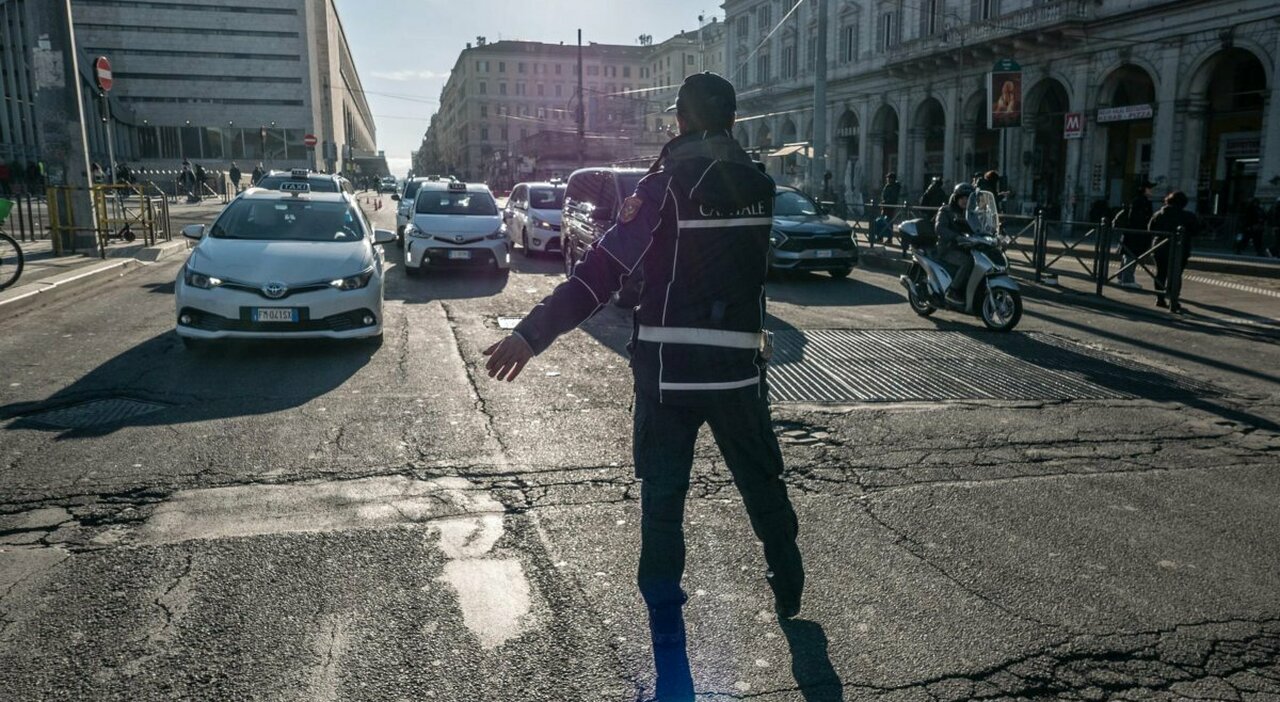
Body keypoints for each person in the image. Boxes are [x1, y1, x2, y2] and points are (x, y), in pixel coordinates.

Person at [483, 72, 803, 702]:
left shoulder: (661, 188)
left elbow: (602, 271)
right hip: (739, 370)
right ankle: (787, 578)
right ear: (733, 123)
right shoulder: (762, 186)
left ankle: (670, 664)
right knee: (762, 480)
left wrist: (531, 333)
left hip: (668, 376)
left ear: (680, 121)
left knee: (663, 505)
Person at [1148, 190, 1199, 312]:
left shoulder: (1159, 214)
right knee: (1175, 275)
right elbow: (1196, 231)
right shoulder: (1188, 216)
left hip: (1159, 247)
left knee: (1160, 273)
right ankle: (1173, 300)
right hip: (1180, 249)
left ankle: (1160, 299)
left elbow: (1150, 229)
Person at [935, 182, 977, 305]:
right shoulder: (946, 210)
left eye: (967, 198)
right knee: (968, 261)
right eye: (962, 198)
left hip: (965, 247)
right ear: (956, 198)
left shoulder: (971, 214)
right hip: (948, 248)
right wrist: (956, 237)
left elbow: (978, 228)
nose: (965, 201)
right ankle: (952, 291)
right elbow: (939, 228)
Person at [1115, 178, 1155, 289]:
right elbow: (1139, 219)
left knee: (1127, 255)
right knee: (1131, 256)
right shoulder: (1142, 202)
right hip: (1136, 233)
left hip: (1129, 233)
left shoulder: (1134, 199)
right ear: (1144, 189)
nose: (1151, 191)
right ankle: (1127, 280)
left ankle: (1121, 277)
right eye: (1149, 188)